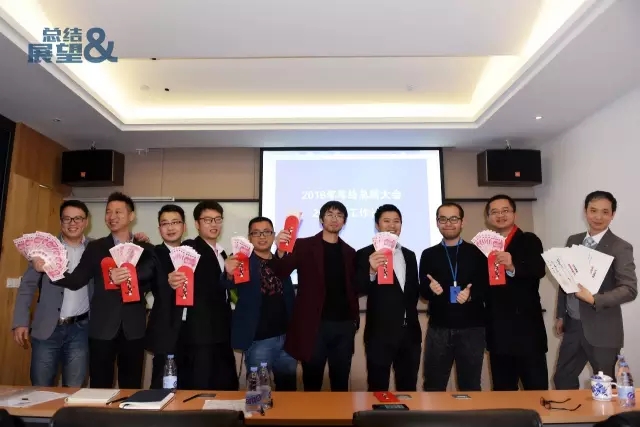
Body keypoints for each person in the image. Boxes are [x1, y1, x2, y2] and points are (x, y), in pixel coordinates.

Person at [34, 192, 156, 389]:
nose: (112, 216)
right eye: (108, 212)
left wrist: (128, 275)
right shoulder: (95, 247)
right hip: (101, 328)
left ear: (131, 216)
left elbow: (150, 278)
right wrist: (49, 268)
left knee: (131, 386)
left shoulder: (145, 248)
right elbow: (76, 280)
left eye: (118, 212)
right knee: (99, 387)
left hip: (134, 328)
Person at [271, 201, 359, 391]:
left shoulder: (350, 252)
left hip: (344, 326)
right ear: (321, 219)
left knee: (341, 382)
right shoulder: (303, 246)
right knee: (312, 381)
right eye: (330, 214)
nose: (334, 219)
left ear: (344, 222)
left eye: (339, 215)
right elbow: (281, 271)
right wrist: (280, 250)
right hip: (314, 326)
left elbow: (354, 288)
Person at [554, 191, 637, 388]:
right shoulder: (573, 240)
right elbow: (564, 279)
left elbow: (629, 289)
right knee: (562, 379)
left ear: (612, 215)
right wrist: (561, 315)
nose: (598, 217)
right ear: (585, 212)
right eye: (593, 211)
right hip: (573, 326)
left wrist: (594, 299)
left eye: (605, 212)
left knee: (605, 386)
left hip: (603, 329)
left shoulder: (620, 246)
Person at [12, 200, 93, 387]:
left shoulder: (95, 248)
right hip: (47, 329)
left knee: (74, 388)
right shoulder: (43, 250)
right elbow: (27, 287)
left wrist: (139, 239)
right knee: (40, 387)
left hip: (80, 330)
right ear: (60, 222)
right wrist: (20, 322)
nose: (72, 223)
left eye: (78, 218)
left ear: (86, 222)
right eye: (67, 219)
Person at [167, 200, 239, 390]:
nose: (213, 224)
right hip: (200, 332)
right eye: (207, 220)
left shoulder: (222, 253)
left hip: (222, 330)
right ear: (197, 224)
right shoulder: (190, 248)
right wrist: (173, 278)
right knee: (201, 385)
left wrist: (229, 275)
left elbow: (223, 288)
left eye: (217, 219)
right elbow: (199, 281)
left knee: (225, 385)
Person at [222, 216, 297, 391]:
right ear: (249, 237)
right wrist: (228, 274)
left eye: (266, 232)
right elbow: (227, 284)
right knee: (258, 393)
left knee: (289, 391)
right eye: (256, 233)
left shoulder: (281, 260)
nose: (262, 237)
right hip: (258, 341)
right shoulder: (241, 260)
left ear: (273, 235)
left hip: (287, 339)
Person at [420, 202, 489, 391]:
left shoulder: (477, 253)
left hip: (472, 328)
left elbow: (486, 286)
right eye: (443, 219)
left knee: (470, 385)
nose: (448, 223)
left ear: (462, 222)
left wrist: (471, 294)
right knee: (433, 385)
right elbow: (423, 291)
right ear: (437, 222)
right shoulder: (428, 254)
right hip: (439, 328)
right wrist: (430, 288)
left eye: (453, 219)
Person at [484, 194, 548, 391]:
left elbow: (538, 270)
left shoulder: (529, 239)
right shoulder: (486, 246)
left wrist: (512, 267)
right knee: (503, 395)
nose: (500, 215)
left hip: (527, 331)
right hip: (498, 331)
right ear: (488, 218)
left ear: (514, 214)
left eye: (505, 211)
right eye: (494, 212)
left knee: (536, 391)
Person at [356, 204, 421, 391]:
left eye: (396, 221)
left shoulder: (409, 255)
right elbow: (358, 288)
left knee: (408, 390)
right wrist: (371, 271)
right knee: (378, 390)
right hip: (380, 335)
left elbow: (412, 292)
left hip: (410, 335)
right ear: (377, 225)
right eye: (386, 221)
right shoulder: (365, 254)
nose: (392, 225)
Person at [146, 204, 187, 389]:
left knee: (189, 382)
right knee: (161, 382)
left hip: (192, 329)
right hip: (165, 328)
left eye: (175, 222)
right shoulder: (152, 254)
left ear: (184, 226)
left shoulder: (192, 253)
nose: (170, 228)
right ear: (159, 228)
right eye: (165, 223)